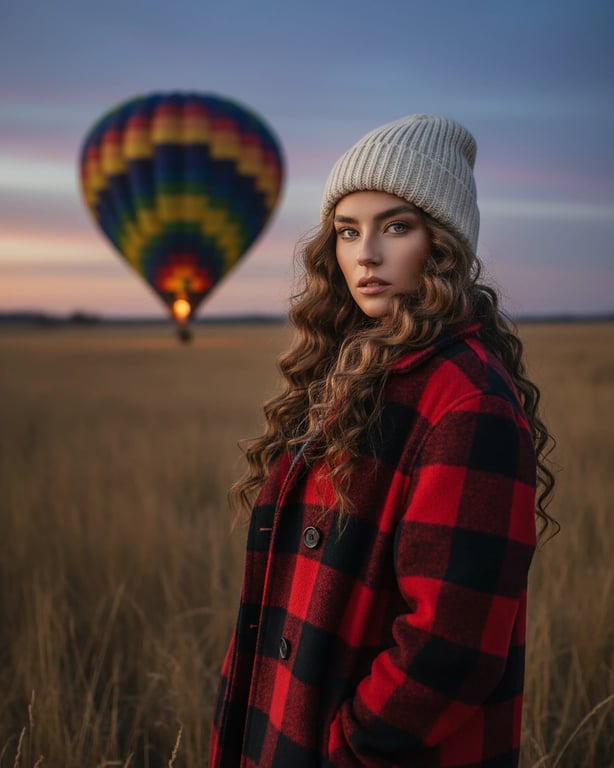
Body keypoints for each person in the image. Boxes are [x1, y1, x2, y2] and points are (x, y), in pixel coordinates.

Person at [209, 114, 556, 767]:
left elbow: (452, 645)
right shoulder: (352, 376)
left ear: (443, 244)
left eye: (395, 226)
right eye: (347, 231)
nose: (365, 252)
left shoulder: (467, 402)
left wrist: (347, 746)